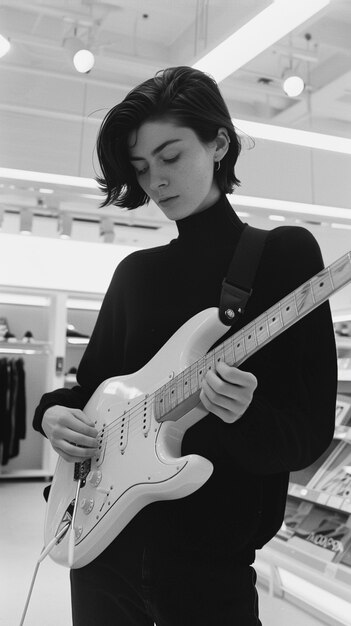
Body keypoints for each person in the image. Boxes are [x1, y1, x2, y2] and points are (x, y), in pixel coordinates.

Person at [33, 66, 337, 625]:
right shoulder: (135, 273)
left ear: (219, 142)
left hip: (210, 570)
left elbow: (309, 434)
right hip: (101, 555)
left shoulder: (284, 256)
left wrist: (242, 414)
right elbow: (90, 391)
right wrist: (51, 414)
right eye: (142, 168)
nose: (155, 183)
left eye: (170, 157)